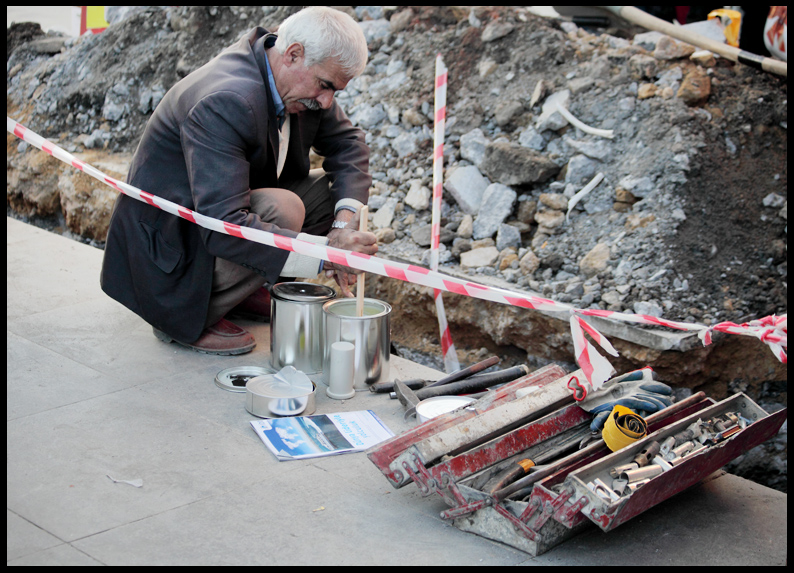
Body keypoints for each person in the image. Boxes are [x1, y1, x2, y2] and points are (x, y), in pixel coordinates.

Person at [100, 7, 378, 355]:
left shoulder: (292, 76)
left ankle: (242, 291)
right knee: (284, 208)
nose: (327, 101)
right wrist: (326, 255)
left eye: (334, 91)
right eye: (325, 86)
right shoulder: (227, 99)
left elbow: (349, 143)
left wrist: (344, 224)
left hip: (216, 217)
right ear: (293, 54)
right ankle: (185, 317)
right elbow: (223, 224)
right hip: (171, 252)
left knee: (325, 194)